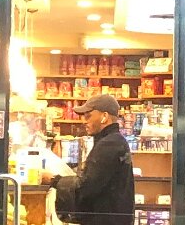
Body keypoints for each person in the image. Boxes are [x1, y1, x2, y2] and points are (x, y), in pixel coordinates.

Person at [52, 95, 134, 225]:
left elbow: (86, 186)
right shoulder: (115, 141)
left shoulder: (109, 144)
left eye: (88, 116)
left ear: (104, 116)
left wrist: (55, 181)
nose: (84, 121)